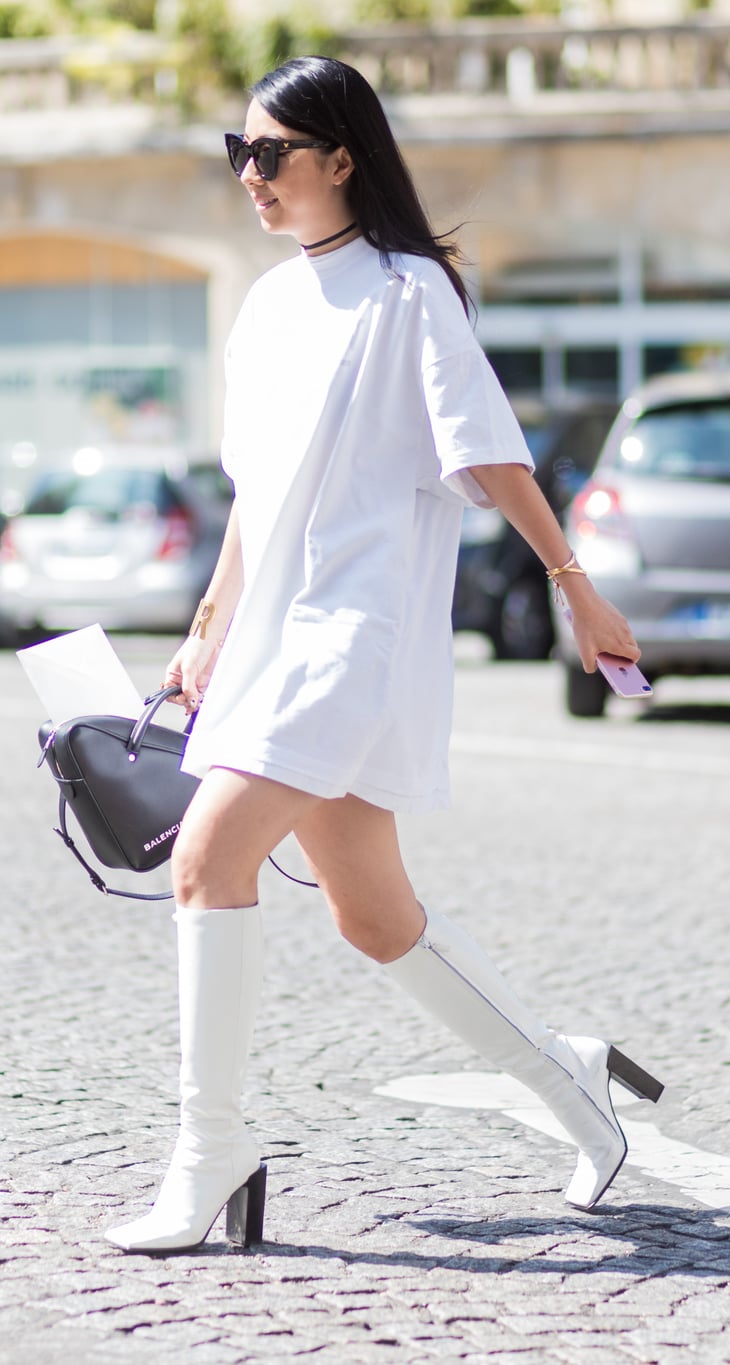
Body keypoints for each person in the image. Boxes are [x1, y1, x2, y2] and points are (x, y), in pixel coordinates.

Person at [104, 55, 665, 1256]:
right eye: (237, 154)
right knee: (374, 917)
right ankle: (576, 1089)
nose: (249, 176)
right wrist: (205, 632)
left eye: (272, 154)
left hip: (352, 642)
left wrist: (576, 587)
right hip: (270, 639)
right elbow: (260, 498)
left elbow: (489, 452)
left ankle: (210, 1152)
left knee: (207, 858)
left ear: (341, 156)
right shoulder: (264, 307)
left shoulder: (412, 292)